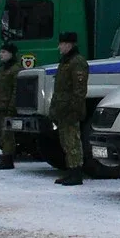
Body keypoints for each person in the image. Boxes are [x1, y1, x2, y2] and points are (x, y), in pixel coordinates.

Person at [49, 31, 88, 186]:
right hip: (62, 109)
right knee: (66, 141)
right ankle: (71, 170)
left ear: (69, 44)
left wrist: (74, 109)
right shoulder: (65, 62)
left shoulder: (77, 62)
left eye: (62, 44)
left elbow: (79, 90)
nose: (59, 47)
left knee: (73, 141)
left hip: (70, 110)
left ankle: (76, 173)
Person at [0, 42, 22, 170]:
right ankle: (5, 157)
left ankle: (8, 159)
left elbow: (16, 91)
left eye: (4, 52)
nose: (1, 54)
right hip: (0, 107)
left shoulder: (15, 69)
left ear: (11, 54)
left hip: (7, 107)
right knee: (1, 133)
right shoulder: (3, 69)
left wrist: (11, 107)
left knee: (7, 134)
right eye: (1, 52)